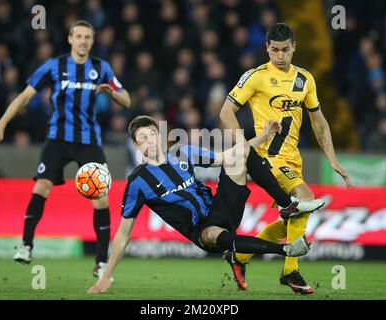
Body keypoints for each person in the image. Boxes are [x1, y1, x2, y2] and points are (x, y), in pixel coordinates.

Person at [87, 115, 325, 294]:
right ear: (136, 146)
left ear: (158, 136)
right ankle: (286, 250)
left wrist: (264, 136)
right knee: (213, 233)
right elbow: (123, 234)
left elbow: (226, 157)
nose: (148, 141)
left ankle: (287, 205)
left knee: (241, 153)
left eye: (151, 134)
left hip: (219, 206)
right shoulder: (137, 182)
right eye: (142, 138)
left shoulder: (182, 152)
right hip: (201, 230)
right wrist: (106, 276)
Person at [0, 20, 131, 279]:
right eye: (79, 36)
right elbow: (24, 96)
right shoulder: (55, 66)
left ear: (92, 40)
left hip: (89, 142)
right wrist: (0, 125)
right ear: (70, 39)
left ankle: (100, 262)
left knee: (101, 197)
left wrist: (112, 93)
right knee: (41, 185)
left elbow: (127, 99)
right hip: (58, 139)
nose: (83, 41)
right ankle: (26, 246)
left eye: (88, 37)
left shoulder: (101, 68)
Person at [220, 23, 351, 294]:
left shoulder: (305, 79)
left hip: (293, 160)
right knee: (305, 199)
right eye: (275, 50)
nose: (280, 56)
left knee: (294, 219)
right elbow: (225, 112)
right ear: (267, 47)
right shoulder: (255, 77)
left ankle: (240, 255)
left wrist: (333, 159)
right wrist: (244, 147)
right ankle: (290, 270)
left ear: (294, 48)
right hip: (268, 158)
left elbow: (319, 123)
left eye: (285, 50)